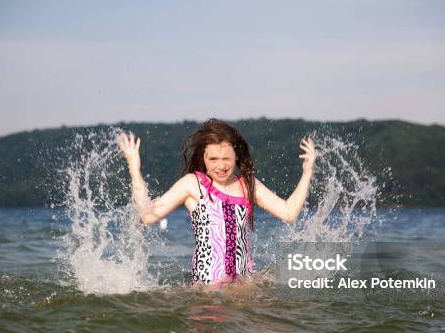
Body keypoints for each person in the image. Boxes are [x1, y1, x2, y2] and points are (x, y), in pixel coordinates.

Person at [118, 119, 316, 285]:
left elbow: (289, 213)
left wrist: (307, 172)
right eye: (213, 159)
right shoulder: (192, 184)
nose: (220, 166)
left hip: (244, 287)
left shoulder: (247, 185)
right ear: (203, 158)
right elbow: (148, 215)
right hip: (207, 290)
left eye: (226, 159)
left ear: (236, 156)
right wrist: (134, 167)